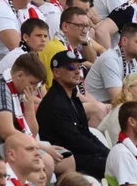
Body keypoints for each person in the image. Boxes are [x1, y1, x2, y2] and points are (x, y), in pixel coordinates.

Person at [36, 50, 108, 179]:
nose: (77, 72)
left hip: (77, 153)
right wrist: (104, 153)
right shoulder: (55, 102)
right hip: (64, 157)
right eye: (70, 67)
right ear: (56, 72)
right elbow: (74, 140)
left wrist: (107, 152)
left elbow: (85, 132)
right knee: (111, 165)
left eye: (79, 67)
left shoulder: (73, 97)